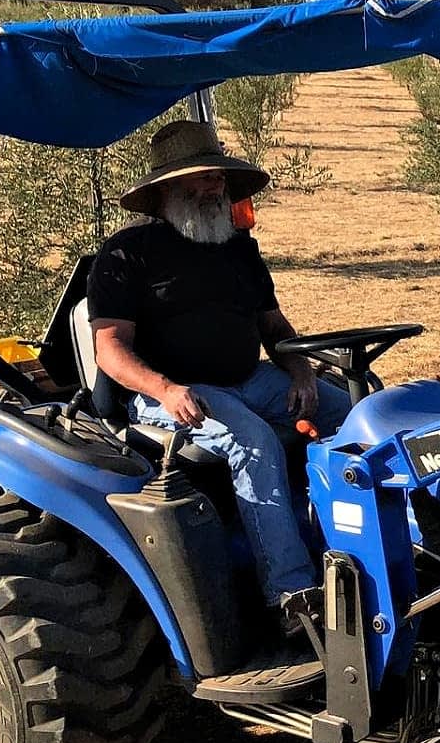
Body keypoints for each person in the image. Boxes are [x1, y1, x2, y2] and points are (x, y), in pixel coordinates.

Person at [88, 119, 351, 634]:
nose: (215, 187)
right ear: (167, 186)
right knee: (251, 441)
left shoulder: (237, 248)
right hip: (169, 392)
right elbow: (110, 352)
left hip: (249, 378)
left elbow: (274, 326)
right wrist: (163, 388)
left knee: (351, 409)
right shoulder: (125, 256)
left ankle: (381, 549)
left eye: (218, 178)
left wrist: (299, 371)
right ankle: (292, 595)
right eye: (202, 178)